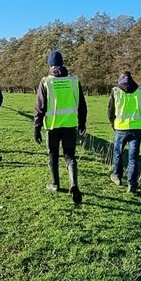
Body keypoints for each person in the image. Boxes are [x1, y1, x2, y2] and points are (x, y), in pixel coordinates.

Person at [33, 51, 87, 204]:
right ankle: (74, 184)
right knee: (70, 156)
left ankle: (55, 184)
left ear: (50, 65)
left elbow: (39, 108)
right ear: (63, 64)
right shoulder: (74, 81)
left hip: (53, 126)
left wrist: (36, 128)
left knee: (53, 155)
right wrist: (82, 122)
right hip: (70, 124)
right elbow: (82, 104)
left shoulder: (45, 82)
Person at [107, 71, 141, 193]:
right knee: (133, 158)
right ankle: (132, 184)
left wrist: (113, 124)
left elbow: (110, 111)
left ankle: (117, 176)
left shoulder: (116, 91)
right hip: (136, 129)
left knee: (118, 153)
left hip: (120, 128)